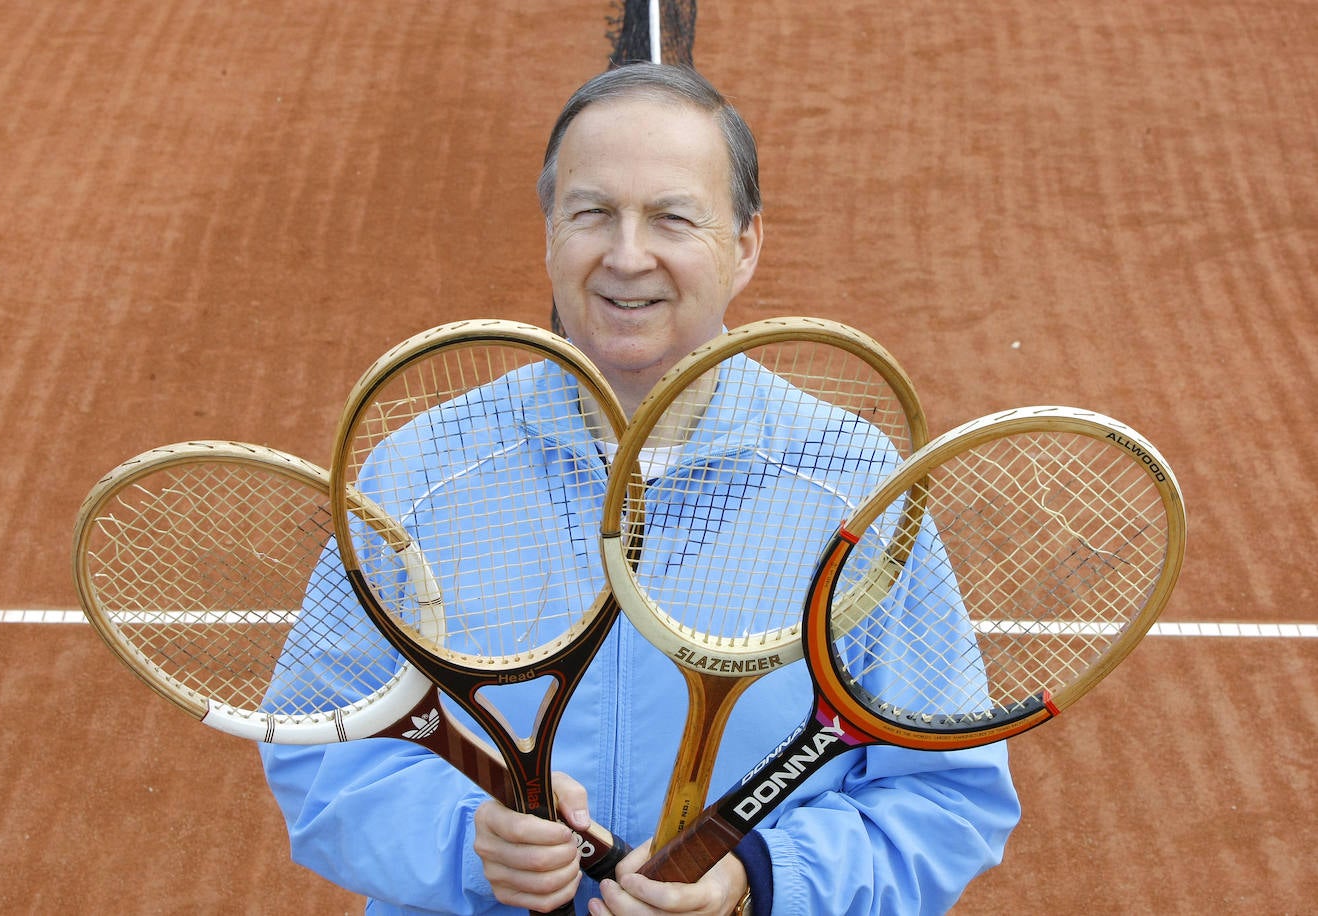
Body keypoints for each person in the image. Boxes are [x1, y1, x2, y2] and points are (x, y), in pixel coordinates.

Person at [260, 63, 1020, 915]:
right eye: (592, 213)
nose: (627, 256)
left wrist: (758, 884)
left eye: (672, 217)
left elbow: (947, 796)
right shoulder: (420, 473)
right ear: (549, 233)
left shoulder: (856, 486)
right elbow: (320, 751)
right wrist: (466, 841)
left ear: (745, 245)